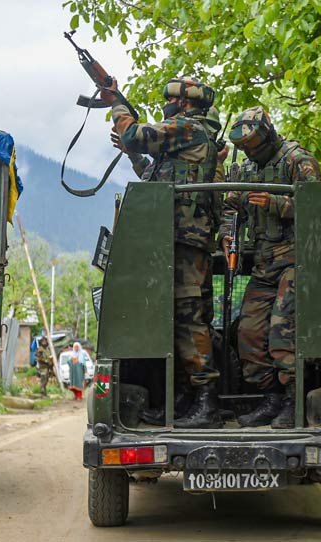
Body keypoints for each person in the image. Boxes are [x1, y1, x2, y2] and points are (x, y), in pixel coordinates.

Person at [102, 76, 221, 428]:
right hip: (178, 237)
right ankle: (188, 397)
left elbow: (133, 134)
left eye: (170, 101)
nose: (167, 107)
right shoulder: (187, 139)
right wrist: (133, 154)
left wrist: (116, 102)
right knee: (178, 318)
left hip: (185, 237)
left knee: (188, 319)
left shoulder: (188, 128)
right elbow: (153, 173)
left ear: (184, 105)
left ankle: (205, 401)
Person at [219, 106, 321, 429]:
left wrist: (278, 203)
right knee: (247, 331)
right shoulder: (247, 168)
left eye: (253, 145)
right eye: (245, 147)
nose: (249, 151)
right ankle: (270, 398)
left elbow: (319, 209)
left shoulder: (297, 160)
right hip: (263, 262)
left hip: (295, 260)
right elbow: (229, 205)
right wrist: (226, 234)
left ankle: (292, 402)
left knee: (282, 330)